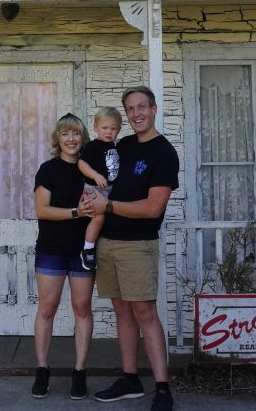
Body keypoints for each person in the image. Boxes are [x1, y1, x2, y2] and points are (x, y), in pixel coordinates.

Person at [81, 86, 179, 411]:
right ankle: (130, 379)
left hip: (138, 246)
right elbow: (101, 179)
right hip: (108, 241)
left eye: (141, 107)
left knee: (145, 313)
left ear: (154, 109)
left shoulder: (164, 152)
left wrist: (107, 206)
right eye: (130, 109)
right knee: (122, 312)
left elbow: (153, 208)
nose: (136, 113)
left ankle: (163, 389)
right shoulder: (121, 145)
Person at [30, 113, 99, 400]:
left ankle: (79, 371)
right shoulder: (48, 169)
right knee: (47, 309)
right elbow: (42, 210)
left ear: (83, 138)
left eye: (76, 134)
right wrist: (76, 212)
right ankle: (42, 369)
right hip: (51, 249)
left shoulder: (91, 170)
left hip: (82, 251)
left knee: (82, 309)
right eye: (65, 134)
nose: (71, 139)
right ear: (58, 139)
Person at [75, 106, 120, 270]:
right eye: (104, 128)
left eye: (113, 128)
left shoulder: (114, 147)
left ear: (119, 130)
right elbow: (81, 163)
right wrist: (95, 175)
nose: (109, 132)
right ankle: (87, 249)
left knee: (105, 219)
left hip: (107, 190)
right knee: (99, 218)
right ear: (95, 128)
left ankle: (95, 246)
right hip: (93, 188)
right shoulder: (94, 146)